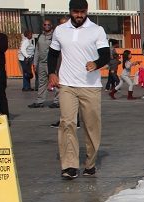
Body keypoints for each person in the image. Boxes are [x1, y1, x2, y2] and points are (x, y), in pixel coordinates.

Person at [48, 0, 110, 180]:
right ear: (70, 11)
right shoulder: (60, 30)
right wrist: (52, 73)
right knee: (67, 123)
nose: (79, 15)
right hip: (67, 85)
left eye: (82, 12)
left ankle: (90, 164)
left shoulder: (96, 30)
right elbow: (53, 54)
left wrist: (96, 63)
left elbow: (106, 54)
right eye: (76, 12)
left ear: (87, 11)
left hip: (90, 86)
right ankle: (70, 166)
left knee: (91, 126)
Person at [28, 19, 56, 108]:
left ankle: (57, 101)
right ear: (43, 26)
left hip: (51, 64)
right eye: (45, 24)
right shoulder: (40, 36)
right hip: (41, 64)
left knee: (55, 82)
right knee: (41, 83)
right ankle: (40, 101)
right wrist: (35, 63)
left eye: (48, 24)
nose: (47, 26)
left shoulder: (54, 36)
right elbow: (37, 50)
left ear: (51, 26)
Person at [0, 30, 8, 117]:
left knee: (1, 93)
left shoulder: (2, 37)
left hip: (0, 69)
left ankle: (5, 116)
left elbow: (3, 48)